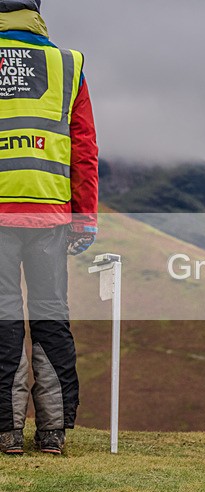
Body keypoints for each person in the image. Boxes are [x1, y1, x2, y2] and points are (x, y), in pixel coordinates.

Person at [0, 0, 99, 455]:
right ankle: (53, 433)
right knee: (50, 317)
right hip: (50, 215)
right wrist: (84, 216)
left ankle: (5, 431)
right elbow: (84, 146)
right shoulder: (67, 63)